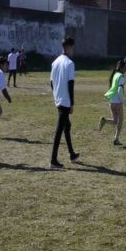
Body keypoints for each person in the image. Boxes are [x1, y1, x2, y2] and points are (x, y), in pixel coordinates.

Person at [49, 37, 79, 168]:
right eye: (72, 47)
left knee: (67, 126)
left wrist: (56, 94)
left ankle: (72, 154)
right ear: (68, 47)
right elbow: (70, 84)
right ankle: (53, 160)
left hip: (58, 100)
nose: (73, 50)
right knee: (59, 130)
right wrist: (72, 103)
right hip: (65, 102)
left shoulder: (55, 62)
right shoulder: (69, 64)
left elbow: (51, 83)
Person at [99, 60, 126, 145]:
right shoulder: (121, 77)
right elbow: (119, 90)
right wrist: (124, 101)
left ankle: (104, 120)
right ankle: (116, 139)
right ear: (122, 68)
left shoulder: (115, 75)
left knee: (115, 121)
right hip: (118, 102)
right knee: (120, 121)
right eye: (125, 67)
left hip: (111, 101)